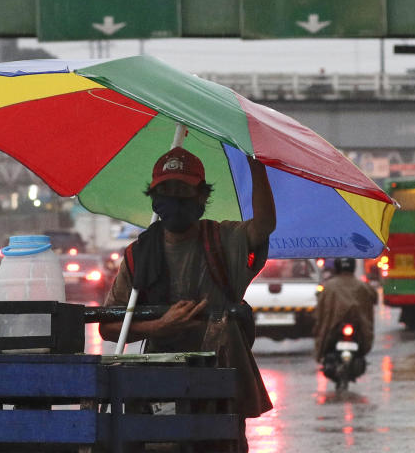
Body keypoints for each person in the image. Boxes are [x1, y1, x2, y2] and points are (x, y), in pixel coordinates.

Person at [99, 147, 277, 452]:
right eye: (165, 190)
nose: (174, 199)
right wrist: (159, 326)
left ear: (201, 197)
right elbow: (109, 326)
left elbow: (263, 225)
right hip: (160, 382)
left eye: (183, 190)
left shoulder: (223, 240)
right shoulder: (138, 255)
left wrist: (256, 163)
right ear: (154, 198)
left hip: (220, 381)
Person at [313, 258, 378, 364]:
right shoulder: (362, 286)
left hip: (342, 328)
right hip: (352, 328)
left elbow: (320, 308)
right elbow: (374, 297)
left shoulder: (329, 286)